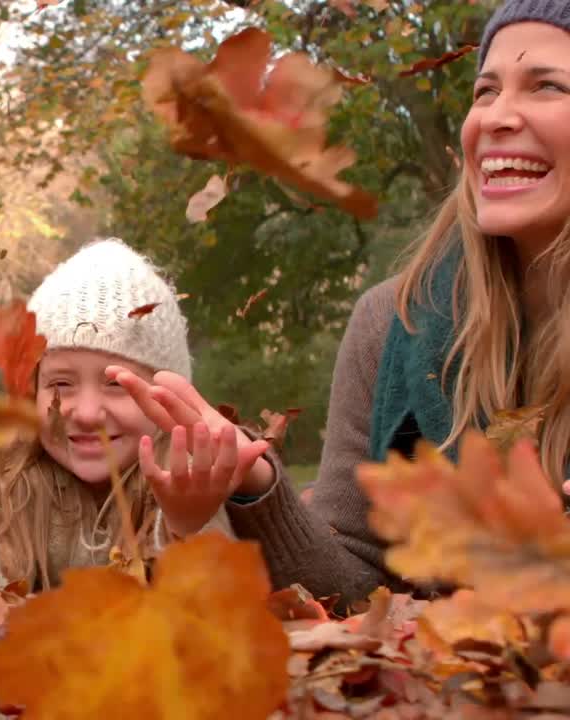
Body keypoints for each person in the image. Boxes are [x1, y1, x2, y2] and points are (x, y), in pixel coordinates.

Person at [146, 0, 570, 607]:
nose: (498, 117)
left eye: (547, 86)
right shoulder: (392, 325)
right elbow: (358, 580)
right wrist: (258, 485)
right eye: (486, 91)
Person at [0, 238, 275, 589]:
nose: (86, 411)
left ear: (166, 395)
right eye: (60, 384)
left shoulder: (193, 478)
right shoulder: (4, 483)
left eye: (118, 385)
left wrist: (187, 526)